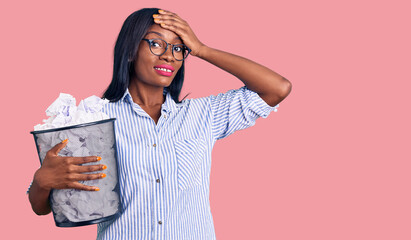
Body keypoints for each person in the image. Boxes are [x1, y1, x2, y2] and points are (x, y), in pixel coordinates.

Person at [28, 8, 292, 239]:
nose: (168, 56)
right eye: (156, 44)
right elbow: (44, 206)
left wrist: (201, 49)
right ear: (130, 50)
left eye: (178, 48)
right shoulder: (95, 118)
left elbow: (278, 87)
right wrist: (42, 181)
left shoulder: (203, 115)